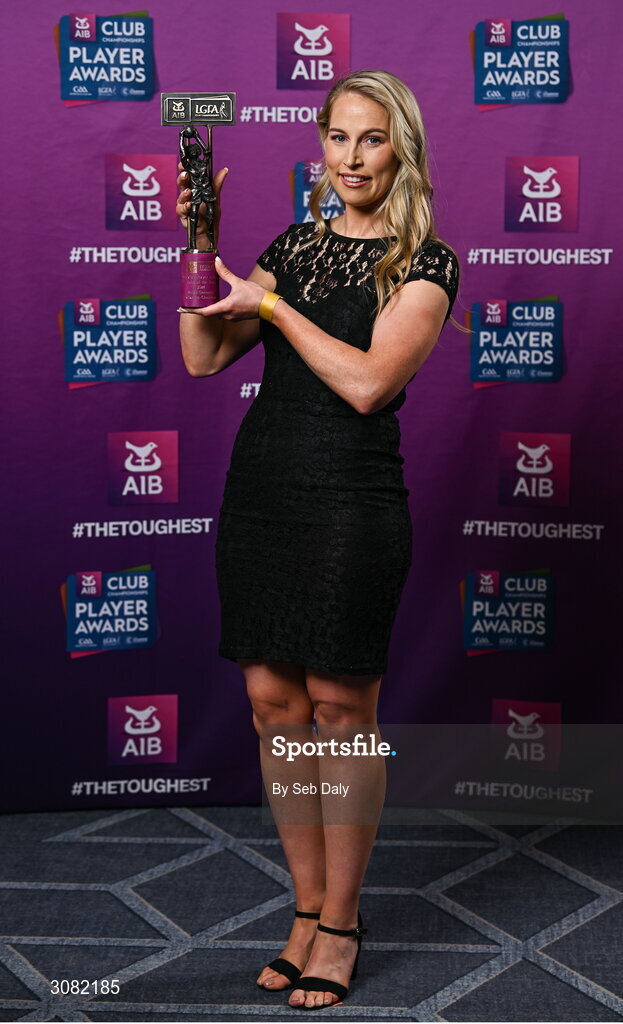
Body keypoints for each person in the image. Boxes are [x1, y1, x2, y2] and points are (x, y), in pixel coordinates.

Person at [177, 69, 459, 1010]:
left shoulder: (424, 263)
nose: (350, 158)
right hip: (264, 492)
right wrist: (201, 247)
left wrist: (272, 307)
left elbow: (369, 383)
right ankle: (302, 909)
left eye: (370, 139)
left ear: (401, 148)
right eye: (337, 138)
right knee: (272, 706)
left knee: (341, 710)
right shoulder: (291, 246)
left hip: (350, 501)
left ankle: (341, 919)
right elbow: (202, 355)